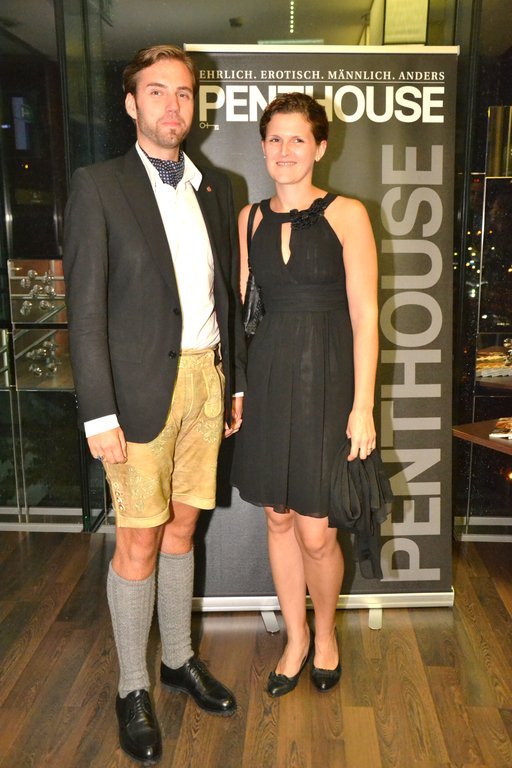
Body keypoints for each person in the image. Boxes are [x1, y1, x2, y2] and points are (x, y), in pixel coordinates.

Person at [63, 45, 246, 764]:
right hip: (138, 391)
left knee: (183, 528)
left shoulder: (216, 187)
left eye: (184, 92)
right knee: (138, 538)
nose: (174, 104)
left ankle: (177, 660)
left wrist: (233, 383)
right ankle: (132, 686)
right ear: (132, 104)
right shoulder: (98, 185)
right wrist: (98, 412)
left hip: (206, 383)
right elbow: (85, 310)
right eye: (157, 91)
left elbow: (225, 295)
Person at [231, 92, 378, 697]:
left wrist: (363, 406)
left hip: (329, 382)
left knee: (317, 530)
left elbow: (366, 316)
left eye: (298, 139)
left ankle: (325, 634)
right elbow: (244, 313)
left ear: (320, 147)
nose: (285, 150)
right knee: (278, 516)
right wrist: (238, 389)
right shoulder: (249, 219)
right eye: (275, 139)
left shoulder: (349, 214)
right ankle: (294, 639)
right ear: (263, 147)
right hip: (269, 380)